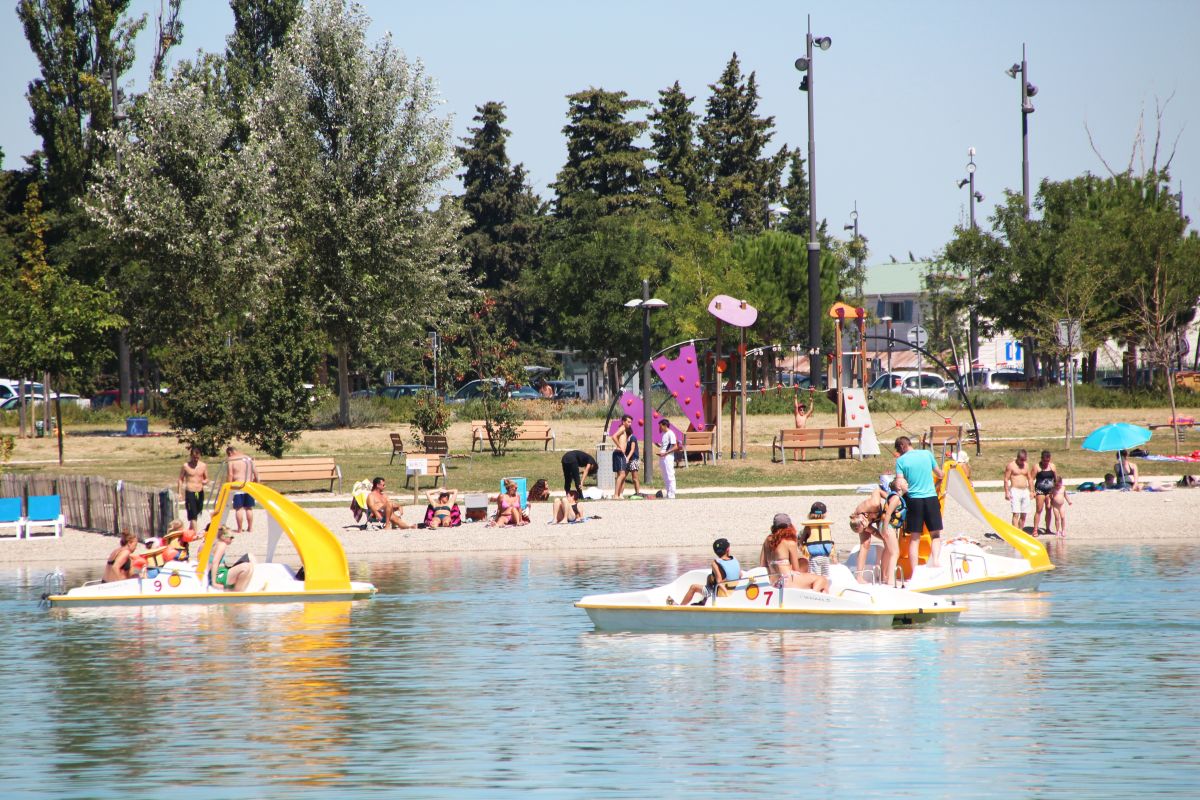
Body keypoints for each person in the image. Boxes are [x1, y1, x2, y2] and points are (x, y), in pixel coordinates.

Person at [894, 436, 944, 571]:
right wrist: (938, 482)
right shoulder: (927, 454)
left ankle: (915, 570)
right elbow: (940, 474)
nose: (899, 453)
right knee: (935, 535)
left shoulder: (901, 461)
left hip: (913, 500)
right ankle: (936, 561)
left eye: (899, 450)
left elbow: (900, 483)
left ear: (902, 447)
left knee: (914, 538)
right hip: (930, 498)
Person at [759, 513, 830, 593]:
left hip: (773, 582)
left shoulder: (767, 540)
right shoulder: (790, 542)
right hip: (787, 580)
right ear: (789, 526)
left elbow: (762, 565)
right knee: (822, 579)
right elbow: (796, 569)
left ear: (774, 526)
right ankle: (814, 595)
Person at [674, 538, 742, 606]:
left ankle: (681, 606)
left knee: (693, 587)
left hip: (720, 593)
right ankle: (705, 600)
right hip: (734, 590)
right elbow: (740, 575)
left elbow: (719, 582)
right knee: (710, 577)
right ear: (728, 549)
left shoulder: (715, 563)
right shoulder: (735, 559)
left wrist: (727, 595)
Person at [208, 526, 255, 592]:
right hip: (219, 575)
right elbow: (215, 562)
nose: (232, 539)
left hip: (221, 572)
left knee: (250, 559)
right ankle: (236, 592)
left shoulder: (217, 543)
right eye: (231, 537)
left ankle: (246, 587)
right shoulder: (222, 545)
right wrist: (214, 583)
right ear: (223, 537)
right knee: (246, 567)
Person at [225, 446, 258, 533]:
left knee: (239, 509)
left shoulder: (231, 460)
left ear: (230, 452)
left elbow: (230, 475)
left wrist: (228, 486)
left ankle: (239, 529)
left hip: (237, 486)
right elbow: (256, 473)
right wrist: (257, 482)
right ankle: (250, 528)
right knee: (249, 508)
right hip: (248, 485)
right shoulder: (248, 458)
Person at [177, 446, 209, 533]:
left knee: (198, 510)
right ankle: (195, 532)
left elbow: (206, 478)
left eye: (197, 457)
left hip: (199, 492)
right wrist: (179, 492)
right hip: (190, 491)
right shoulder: (186, 466)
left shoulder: (203, 465)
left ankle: (191, 529)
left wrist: (205, 481)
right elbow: (180, 479)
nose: (196, 459)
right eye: (194, 457)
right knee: (193, 512)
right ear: (191, 456)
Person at [1003, 449, 1035, 530]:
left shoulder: (1026, 465)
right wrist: (1007, 492)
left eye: (1024, 460)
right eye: (1021, 460)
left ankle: (1021, 531)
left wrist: (1032, 491)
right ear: (1017, 458)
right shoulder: (1011, 466)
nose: (1023, 462)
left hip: (1025, 491)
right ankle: (1015, 532)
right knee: (1016, 513)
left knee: (1024, 513)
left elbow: (1030, 479)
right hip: (1015, 490)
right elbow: (1006, 479)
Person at [1032, 450, 1058, 535]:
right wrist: (1032, 491)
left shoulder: (1052, 466)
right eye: (1045, 461)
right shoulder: (1037, 467)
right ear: (1042, 459)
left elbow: (1056, 479)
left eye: (1048, 461)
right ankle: (1035, 529)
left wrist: (1057, 489)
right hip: (1040, 490)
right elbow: (1031, 479)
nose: (1046, 463)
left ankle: (1048, 529)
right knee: (1039, 509)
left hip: (1050, 490)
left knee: (1049, 508)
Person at [657, 418, 680, 499]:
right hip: (662, 456)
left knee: (670, 475)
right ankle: (668, 492)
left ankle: (672, 493)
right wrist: (658, 446)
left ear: (665, 425)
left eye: (661, 426)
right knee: (665, 475)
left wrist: (666, 453)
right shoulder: (664, 434)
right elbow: (665, 446)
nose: (660, 428)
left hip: (668, 457)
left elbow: (675, 446)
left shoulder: (671, 433)